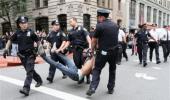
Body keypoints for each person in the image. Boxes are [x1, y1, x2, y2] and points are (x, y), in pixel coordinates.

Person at [3, 16, 43, 96]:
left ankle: (26, 89)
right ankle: (39, 80)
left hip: (31, 55)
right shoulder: (17, 33)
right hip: (22, 56)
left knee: (29, 72)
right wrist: (6, 49)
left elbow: (38, 41)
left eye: (25, 23)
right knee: (30, 71)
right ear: (19, 25)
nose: (24, 24)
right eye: (22, 23)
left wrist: (41, 49)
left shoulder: (31, 32)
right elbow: (10, 40)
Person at [86, 9, 119, 96]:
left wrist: (91, 50)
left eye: (98, 17)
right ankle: (111, 88)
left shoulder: (100, 26)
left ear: (101, 17)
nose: (98, 19)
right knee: (112, 70)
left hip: (103, 52)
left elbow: (93, 40)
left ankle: (92, 88)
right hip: (114, 52)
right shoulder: (115, 25)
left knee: (97, 69)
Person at [62, 17, 92, 84]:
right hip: (75, 50)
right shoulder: (70, 31)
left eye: (71, 21)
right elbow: (68, 42)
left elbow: (88, 39)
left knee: (85, 64)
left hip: (84, 50)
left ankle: (88, 77)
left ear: (75, 21)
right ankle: (81, 77)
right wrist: (63, 48)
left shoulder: (82, 28)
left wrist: (90, 48)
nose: (70, 23)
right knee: (78, 65)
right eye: (69, 22)